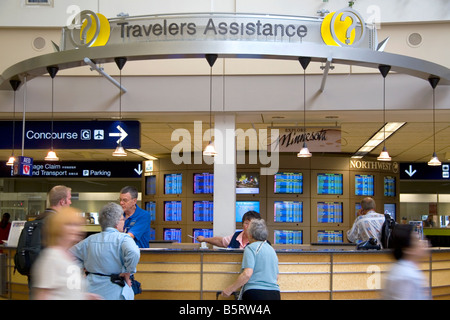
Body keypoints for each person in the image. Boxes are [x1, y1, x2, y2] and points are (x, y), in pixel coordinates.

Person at [71, 202, 141, 300]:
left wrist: (81, 269)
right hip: (116, 290)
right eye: (122, 219)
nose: (124, 221)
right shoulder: (123, 239)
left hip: (91, 290)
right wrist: (128, 271)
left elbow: (70, 255)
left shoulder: (89, 240)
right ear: (116, 223)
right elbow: (134, 252)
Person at [31, 207, 100, 300]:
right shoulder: (51, 258)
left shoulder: (69, 256)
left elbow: (69, 291)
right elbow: (42, 295)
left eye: (77, 225)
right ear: (58, 228)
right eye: (70, 224)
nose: (76, 229)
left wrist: (85, 297)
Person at [15, 185, 72, 289]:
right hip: (52, 278)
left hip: (33, 274)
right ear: (62, 202)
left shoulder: (36, 220)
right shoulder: (57, 222)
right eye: (69, 199)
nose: (70, 202)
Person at [222, 219, 280, 300]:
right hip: (274, 293)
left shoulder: (250, 248)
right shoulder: (271, 250)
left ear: (250, 235)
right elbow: (276, 276)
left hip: (255, 293)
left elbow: (247, 274)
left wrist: (230, 289)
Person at [381, 224, 430, 300]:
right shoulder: (406, 276)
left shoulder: (401, 269)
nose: (424, 243)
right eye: (417, 240)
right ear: (407, 249)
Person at [196, 211, 261, 249]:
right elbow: (221, 241)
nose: (249, 226)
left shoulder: (261, 241)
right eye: (246, 223)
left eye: (252, 224)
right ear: (242, 224)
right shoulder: (236, 236)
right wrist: (204, 239)